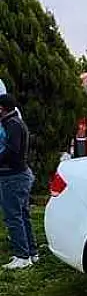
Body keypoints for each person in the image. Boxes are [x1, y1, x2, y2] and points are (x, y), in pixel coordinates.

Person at [0, 93, 36, 269]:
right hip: (20, 175)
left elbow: (11, 151)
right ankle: (31, 253)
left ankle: (22, 256)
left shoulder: (12, 124)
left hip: (13, 177)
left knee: (13, 217)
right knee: (22, 215)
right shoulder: (14, 122)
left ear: (1, 108)